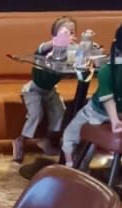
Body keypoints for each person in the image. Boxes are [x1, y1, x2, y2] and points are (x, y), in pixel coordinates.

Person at [61, 19, 122, 168]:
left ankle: (70, 165)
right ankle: (83, 165)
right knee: (92, 137)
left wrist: (114, 120)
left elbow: (106, 98)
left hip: (96, 112)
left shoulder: (106, 69)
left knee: (69, 135)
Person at [12, 15, 77, 163]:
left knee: (60, 112)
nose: (68, 36)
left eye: (72, 33)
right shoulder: (47, 49)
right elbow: (40, 49)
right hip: (33, 89)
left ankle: (46, 141)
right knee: (36, 114)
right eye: (64, 33)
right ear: (54, 35)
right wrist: (56, 42)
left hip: (50, 90)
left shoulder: (70, 53)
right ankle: (20, 141)